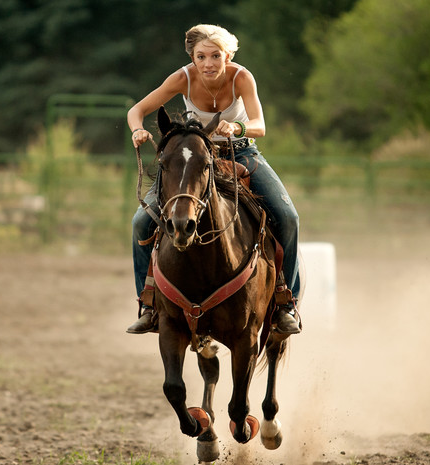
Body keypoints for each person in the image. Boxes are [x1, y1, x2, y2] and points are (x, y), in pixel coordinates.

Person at [126, 24, 301, 335]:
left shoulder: (242, 77)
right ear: (192, 58)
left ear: (228, 56)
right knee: (141, 221)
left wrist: (237, 129)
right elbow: (137, 110)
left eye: (216, 56)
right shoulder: (182, 78)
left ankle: (286, 303)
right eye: (201, 56)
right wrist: (137, 129)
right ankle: (148, 304)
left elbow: (259, 123)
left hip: (241, 154)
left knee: (287, 217)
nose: (208, 63)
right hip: (194, 159)